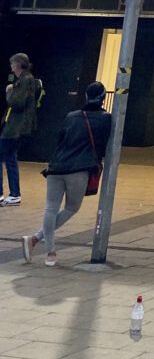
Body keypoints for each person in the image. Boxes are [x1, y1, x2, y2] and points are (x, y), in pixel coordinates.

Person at [22, 81, 112, 267]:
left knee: (50, 207)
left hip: (55, 166)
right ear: (103, 98)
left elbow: (61, 139)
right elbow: (104, 144)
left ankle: (49, 252)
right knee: (71, 207)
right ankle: (35, 239)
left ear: (86, 96)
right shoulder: (106, 119)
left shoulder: (71, 116)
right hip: (78, 169)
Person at [2, 53, 39, 207]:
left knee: (8, 157)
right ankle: (14, 193)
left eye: (12, 64)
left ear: (17, 64)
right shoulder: (25, 79)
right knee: (10, 158)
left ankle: (14, 193)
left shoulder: (25, 80)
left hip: (15, 127)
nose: (11, 67)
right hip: (14, 126)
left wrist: (9, 91)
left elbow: (17, 102)